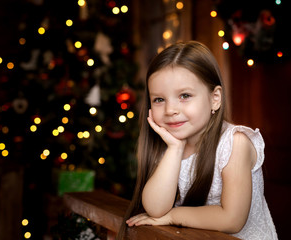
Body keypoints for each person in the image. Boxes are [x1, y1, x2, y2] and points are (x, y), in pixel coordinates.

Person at [117, 41, 277, 240]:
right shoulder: (168, 143)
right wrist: (175, 149)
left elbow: (232, 219)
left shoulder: (234, 143)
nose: (170, 110)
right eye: (159, 99)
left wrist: (173, 215)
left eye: (184, 95)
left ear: (215, 98)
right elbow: (156, 208)